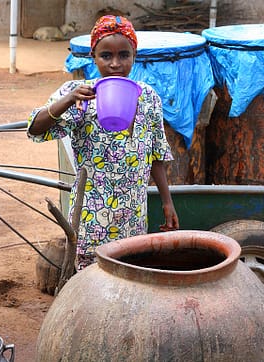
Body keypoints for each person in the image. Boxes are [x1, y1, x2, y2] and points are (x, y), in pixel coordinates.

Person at [27, 15, 179, 270]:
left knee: (131, 275)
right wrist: (66, 101)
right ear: (93, 57)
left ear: (134, 55)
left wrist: (167, 202)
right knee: (93, 284)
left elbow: (156, 155)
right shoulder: (79, 95)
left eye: (124, 55)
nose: (115, 64)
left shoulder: (149, 98)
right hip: (91, 216)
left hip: (133, 213)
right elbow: (35, 127)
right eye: (106, 56)